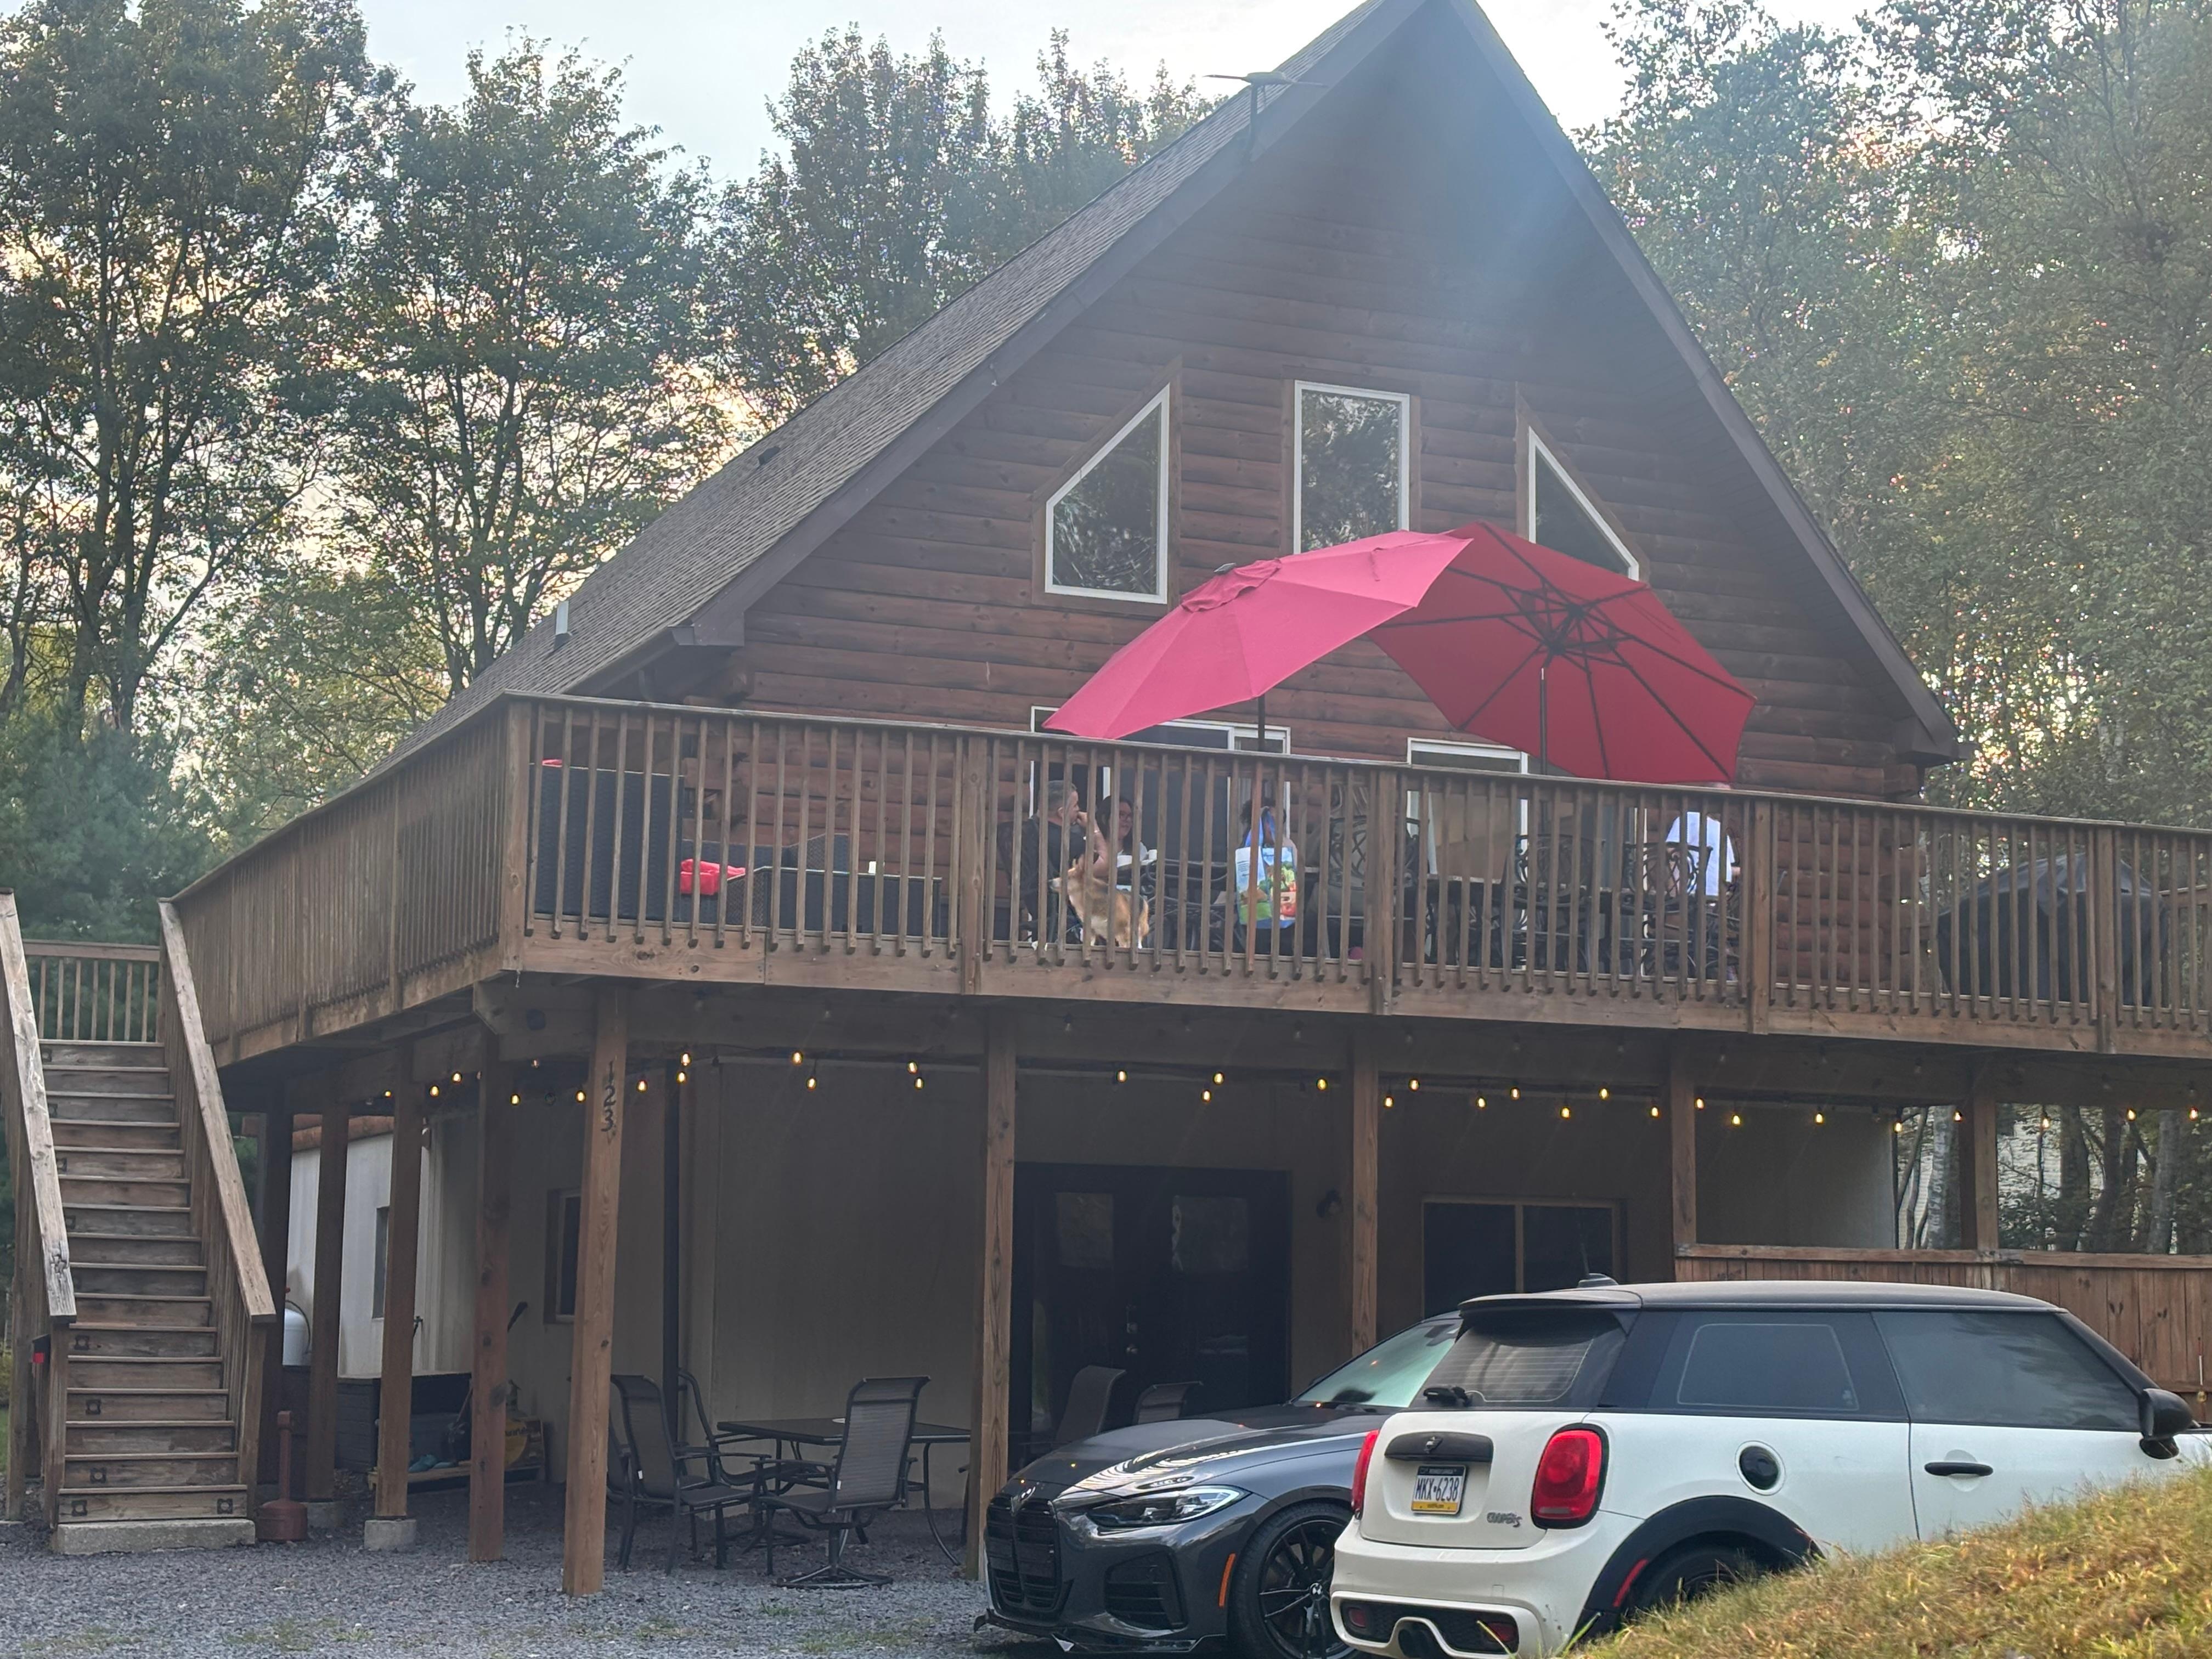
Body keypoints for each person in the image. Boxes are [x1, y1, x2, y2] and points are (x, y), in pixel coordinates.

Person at [1232, 805, 1300, 937]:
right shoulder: (1249, 846)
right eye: (1271, 821)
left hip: (1283, 911)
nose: (1275, 826)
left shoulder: (1288, 846)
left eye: (1279, 821)